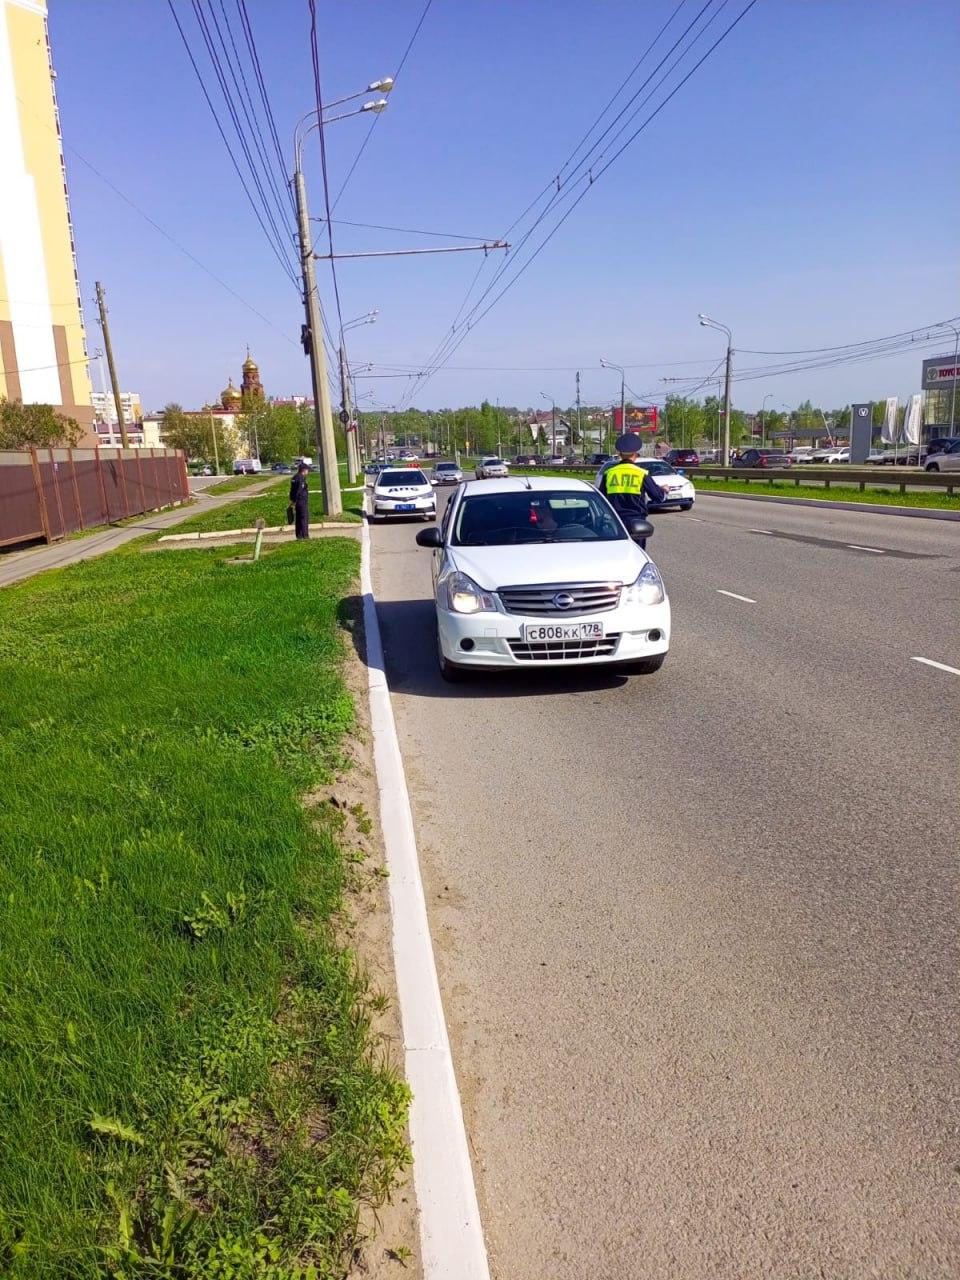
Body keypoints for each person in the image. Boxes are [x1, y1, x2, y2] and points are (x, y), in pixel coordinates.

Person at [595, 432, 667, 548]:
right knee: (637, 554)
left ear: (620, 454)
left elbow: (602, 499)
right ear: (635, 454)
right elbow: (658, 497)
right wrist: (664, 490)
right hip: (636, 523)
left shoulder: (609, 473)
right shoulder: (641, 473)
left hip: (615, 523)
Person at [289, 462, 310, 540]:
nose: (308, 472)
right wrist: (295, 500)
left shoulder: (295, 477)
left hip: (297, 501)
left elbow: (292, 491)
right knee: (304, 518)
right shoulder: (300, 478)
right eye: (307, 470)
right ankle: (305, 535)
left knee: (298, 518)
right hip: (301, 501)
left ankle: (299, 535)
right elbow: (298, 490)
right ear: (303, 470)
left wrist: (292, 500)